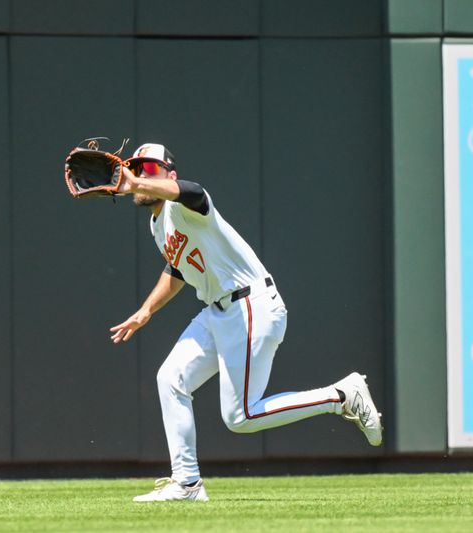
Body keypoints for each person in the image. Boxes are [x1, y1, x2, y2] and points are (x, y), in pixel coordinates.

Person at [109, 143, 383, 503]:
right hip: (218, 311)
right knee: (171, 379)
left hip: (250, 304)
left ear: (169, 175)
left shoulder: (184, 203)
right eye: (137, 167)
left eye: (150, 168)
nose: (141, 174)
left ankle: (341, 396)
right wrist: (147, 310)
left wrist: (138, 185)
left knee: (242, 416)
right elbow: (177, 269)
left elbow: (194, 191)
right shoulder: (157, 224)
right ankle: (187, 483)